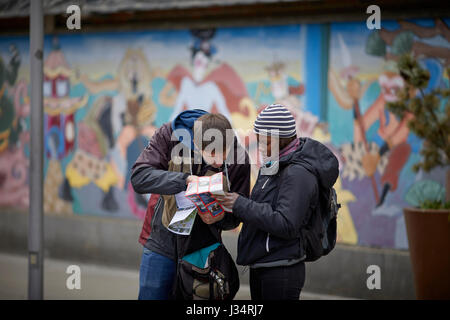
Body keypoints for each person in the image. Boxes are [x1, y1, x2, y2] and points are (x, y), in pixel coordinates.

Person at [216, 104, 339, 300]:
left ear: (280, 139)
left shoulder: (297, 173)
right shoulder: (274, 164)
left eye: (266, 142)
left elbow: (286, 223)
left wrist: (239, 203)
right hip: (263, 264)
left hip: (281, 269)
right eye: (260, 140)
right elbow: (261, 209)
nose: (261, 147)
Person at [131, 109, 250, 300]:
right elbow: (139, 178)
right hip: (162, 243)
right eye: (212, 153)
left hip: (203, 251)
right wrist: (184, 180)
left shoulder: (239, 158)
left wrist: (220, 217)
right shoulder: (169, 135)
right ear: (195, 144)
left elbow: (235, 217)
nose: (219, 161)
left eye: (223, 153)